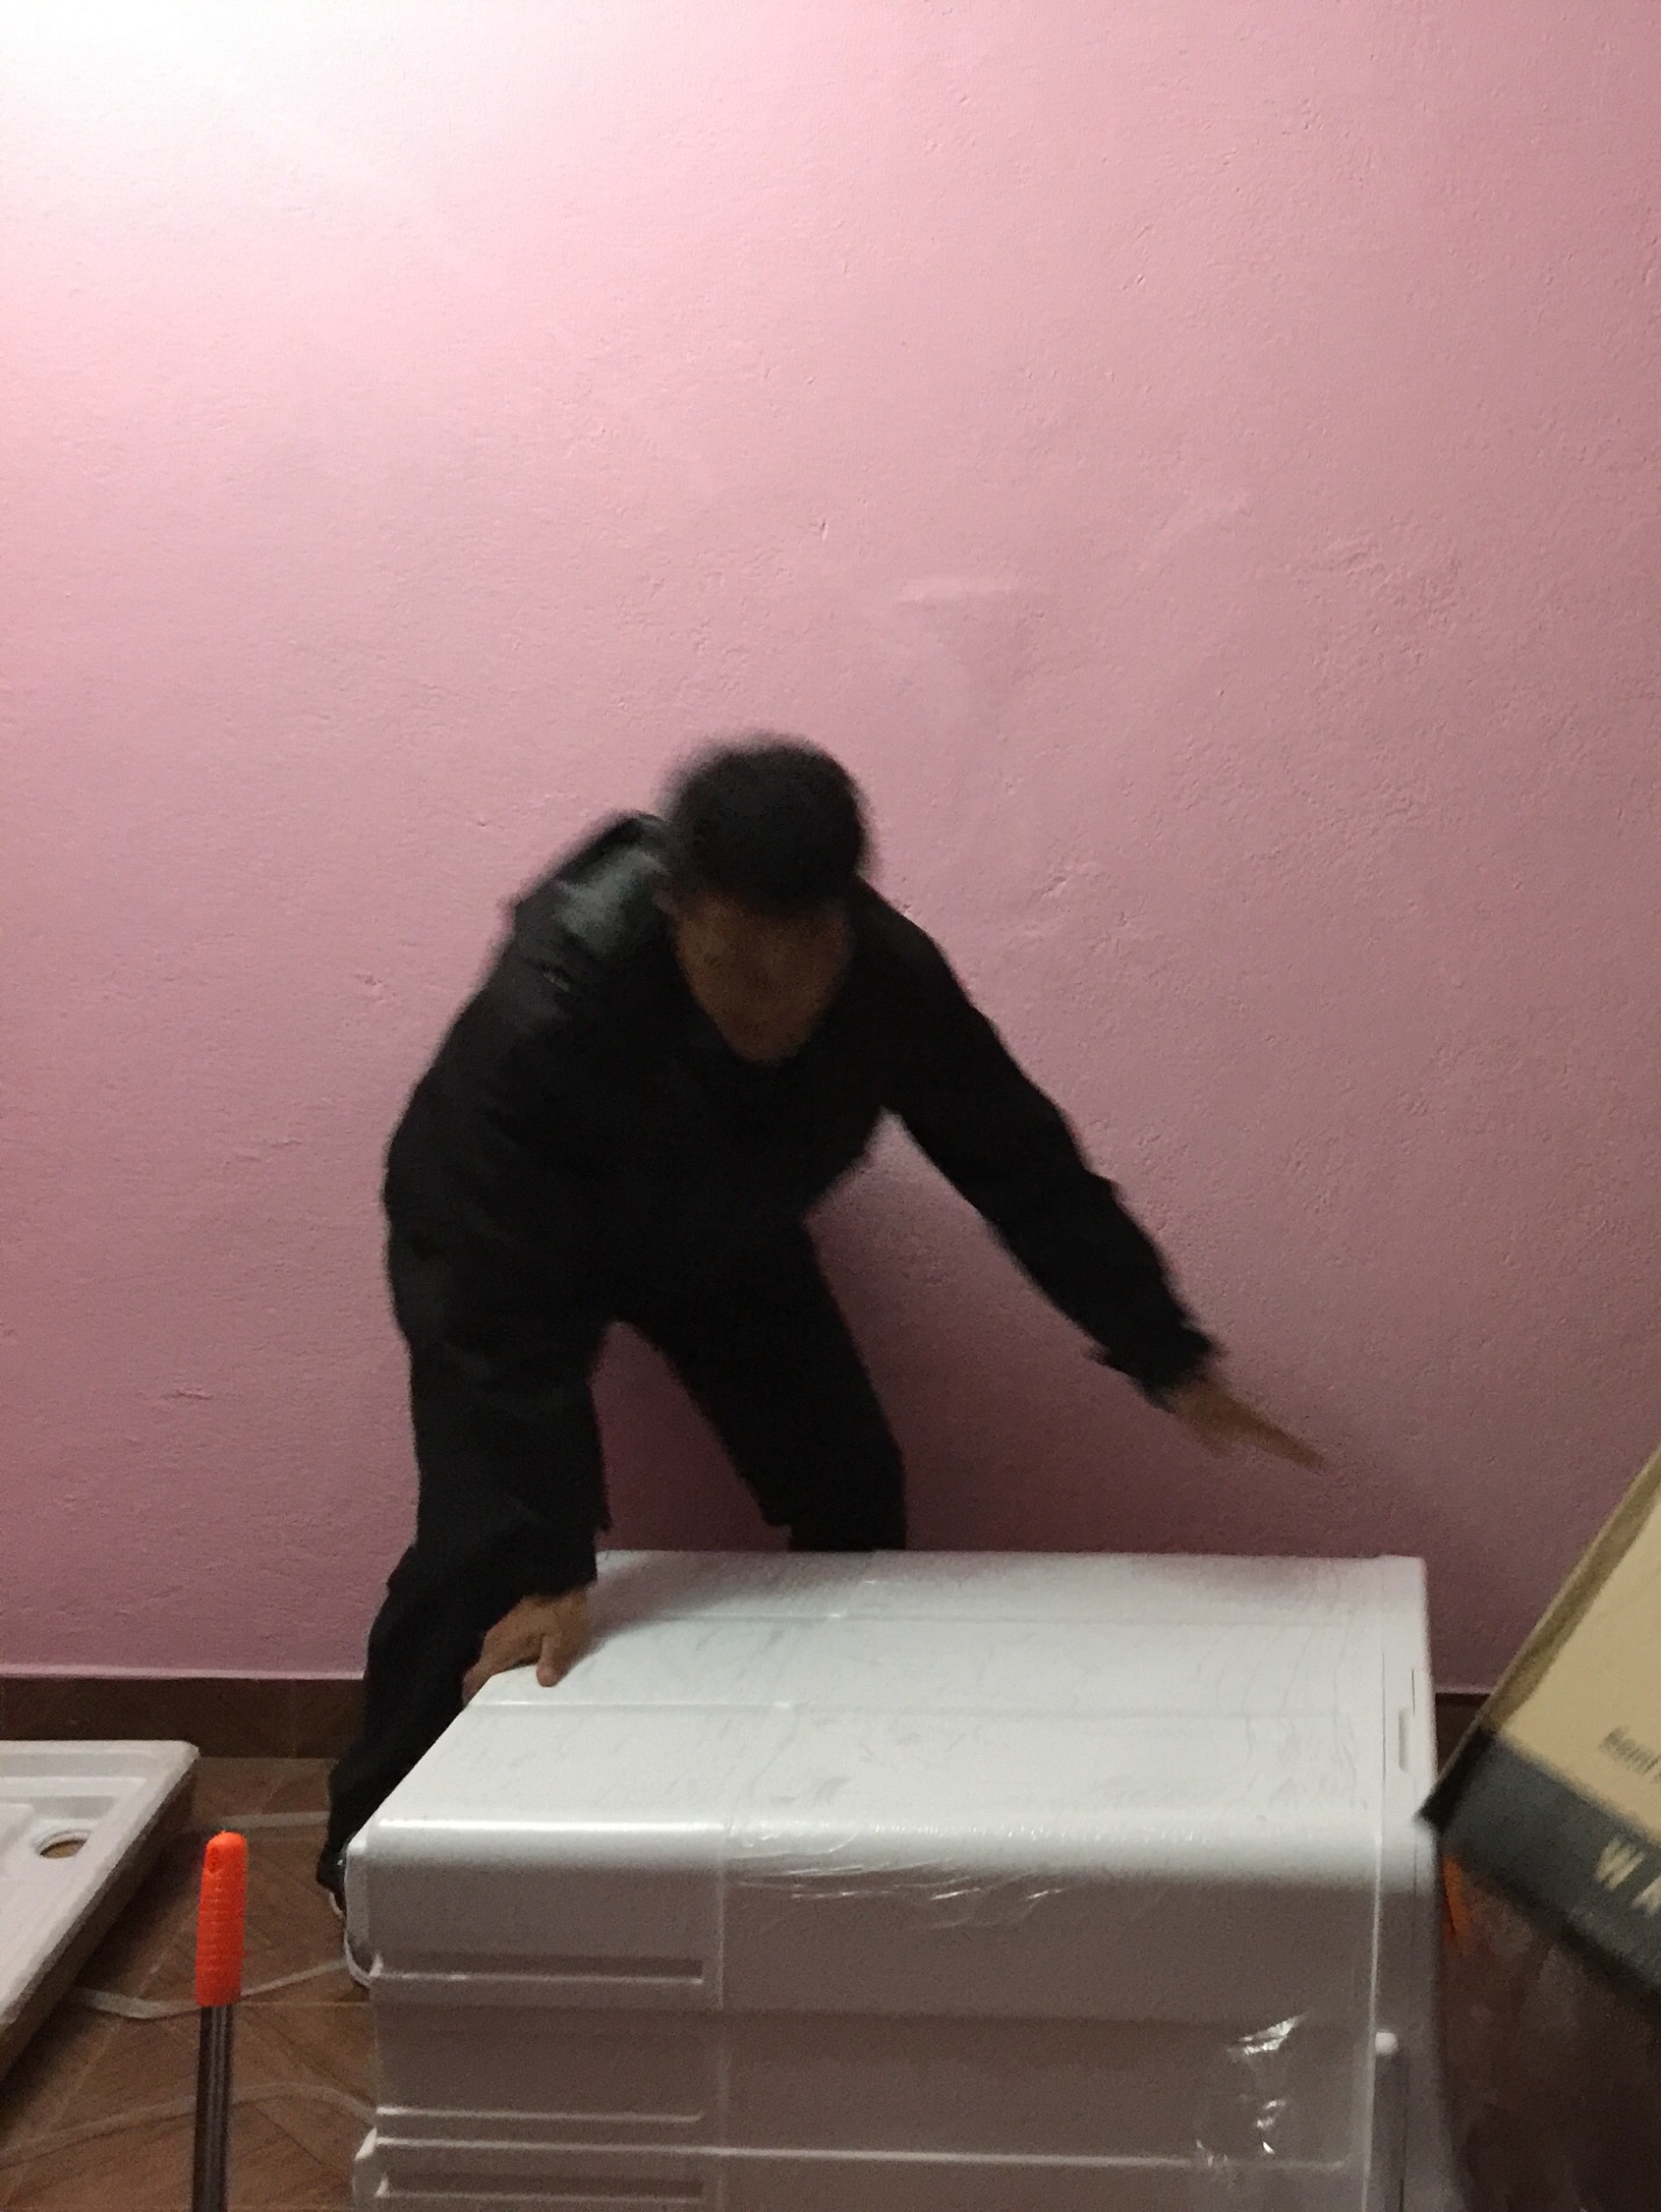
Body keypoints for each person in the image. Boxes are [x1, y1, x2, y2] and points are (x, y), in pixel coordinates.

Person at [319, 736, 1314, 1897]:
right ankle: (363, 1861)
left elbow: (1022, 1163)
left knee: (852, 1480)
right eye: (738, 970)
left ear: (844, 920)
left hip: (717, 1223)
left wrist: (1164, 1351)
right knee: (487, 1549)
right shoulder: (548, 1016)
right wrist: (548, 1560)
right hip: (501, 1239)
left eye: (805, 967)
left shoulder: (891, 982)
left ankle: (822, 1814)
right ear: (677, 910)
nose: (776, 1010)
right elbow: (498, 1316)